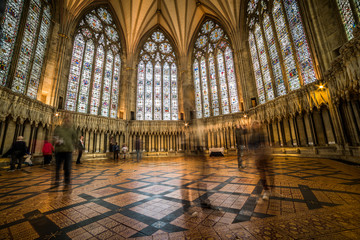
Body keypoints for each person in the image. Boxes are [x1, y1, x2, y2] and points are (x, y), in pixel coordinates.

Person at [248, 121, 273, 200]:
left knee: (270, 172)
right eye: (254, 124)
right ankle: (266, 190)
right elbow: (250, 146)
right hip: (258, 156)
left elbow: (266, 143)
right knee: (262, 174)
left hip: (265, 155)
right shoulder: (251, 136)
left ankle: (272, 188)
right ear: (252, 126)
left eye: (257, 124)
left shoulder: (262, 133)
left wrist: (269, 151)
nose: (256, 125)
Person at [53, 114, 77, 186]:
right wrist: (56, 141)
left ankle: (67, 180)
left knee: (67, 167)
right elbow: (54, 137)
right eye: (66, 119)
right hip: (59, 150)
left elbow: (75, 139)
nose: (67, 121)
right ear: (63, 120)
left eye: (68, 120)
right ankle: (57, 179)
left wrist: (74, 148)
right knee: (57, 167)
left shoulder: (72, 130)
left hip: (68, 151)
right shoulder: (58, 129)